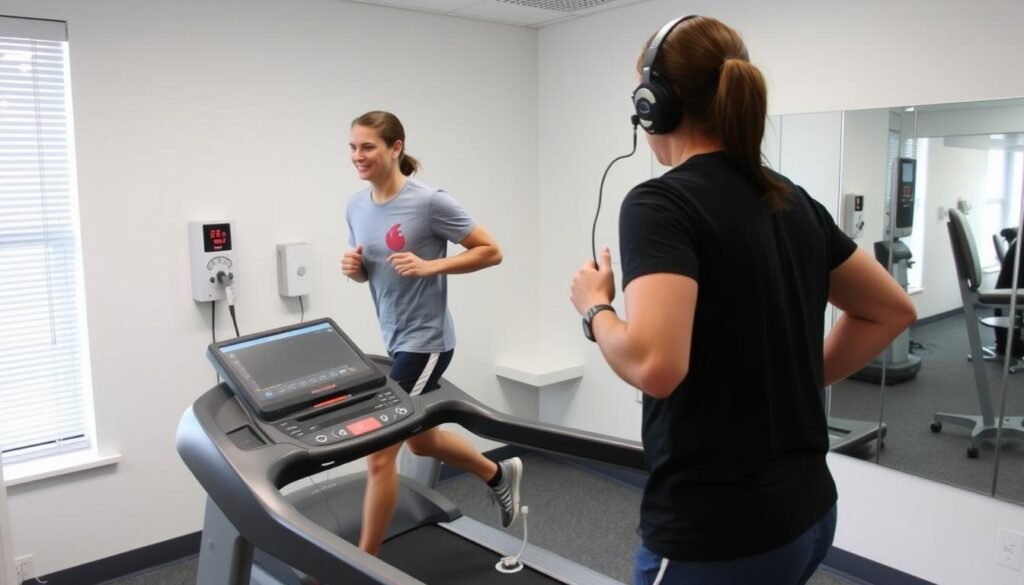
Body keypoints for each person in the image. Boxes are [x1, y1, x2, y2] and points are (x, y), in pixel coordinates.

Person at [569, 16, 917, 585]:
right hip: (808, 515)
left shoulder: (660, 205)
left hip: (718, 533)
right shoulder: (792, 200)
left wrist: (595, 308)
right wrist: (802, 378)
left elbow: (655, 366)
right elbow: (891, 310)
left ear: (656, 102)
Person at [341, 110, 522, 555]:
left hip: (426, 342)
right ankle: (498, 473)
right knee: (420, 443)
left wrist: (432, 266)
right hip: (395, 337)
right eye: (353, 147)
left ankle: (363, 563)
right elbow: (373, 272)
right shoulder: (356, 206)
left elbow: (491, 250)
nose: (358, 155)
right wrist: (356, 269)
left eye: (368, 146)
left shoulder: (428, 201)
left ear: (395, 148)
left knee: (379, 454)